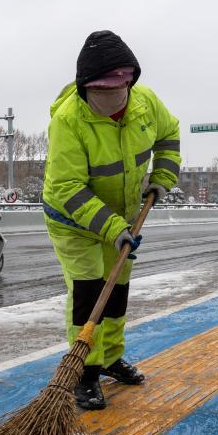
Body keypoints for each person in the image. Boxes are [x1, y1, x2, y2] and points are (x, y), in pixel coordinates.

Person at [42, 30, 181, 410]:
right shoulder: (68, 121)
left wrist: (163, 178)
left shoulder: (146, 103)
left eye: (117, 91)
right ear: (86, 88)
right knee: (89, 292)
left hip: (122, 217)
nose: (109, 100)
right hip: (74, 221)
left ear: (130, 83)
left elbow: (169, 135)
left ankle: (111, 358)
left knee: (117, 291)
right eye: (100, 93)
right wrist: (112, 227)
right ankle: (84, 372)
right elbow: (68, 187)